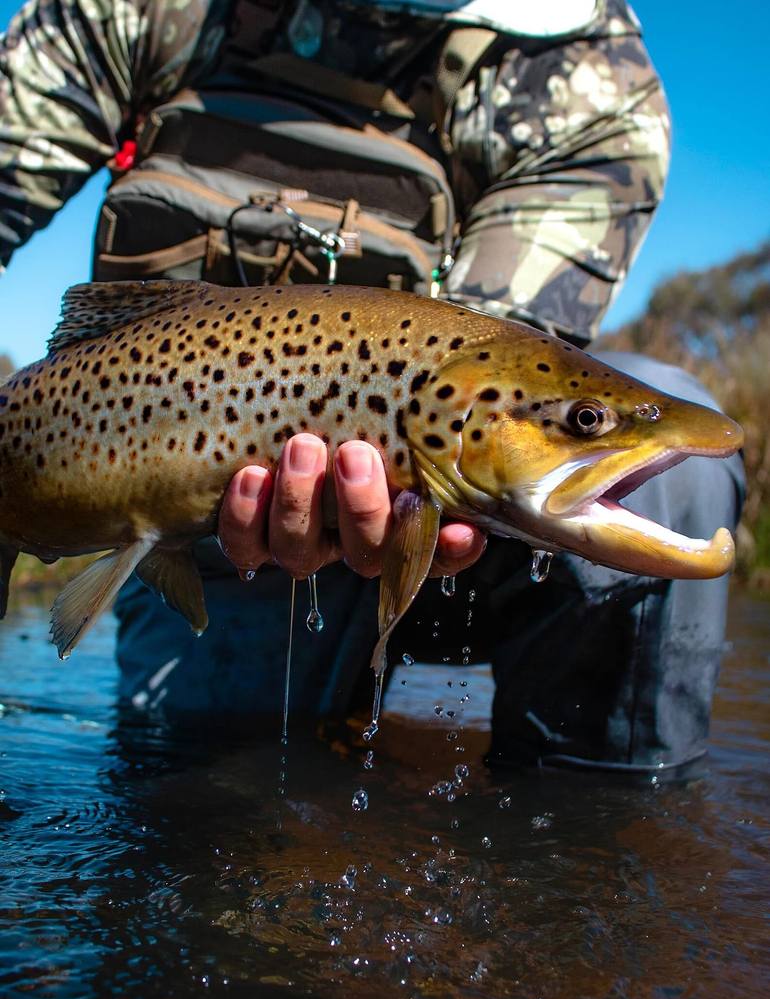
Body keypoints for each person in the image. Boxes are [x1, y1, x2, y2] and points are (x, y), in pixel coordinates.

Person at [0, 0, 744, 773]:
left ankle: (594, 844)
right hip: (212, 540)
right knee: (212, 793)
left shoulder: (581, 69)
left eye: (584, 422)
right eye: (586, 423)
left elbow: (507, 347)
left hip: (468, 545)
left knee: (675, 481)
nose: (590, 427)